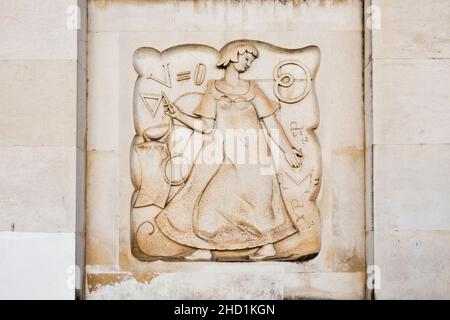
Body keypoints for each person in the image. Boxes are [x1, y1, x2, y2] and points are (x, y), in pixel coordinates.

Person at [155, 41, 302, 260]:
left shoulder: (253, 89)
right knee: (210, 204)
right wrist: (178, 115)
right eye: (246, 57)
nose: (249, 63)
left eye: (252, 60)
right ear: (233, 55)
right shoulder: (213, 88)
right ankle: (205, 248)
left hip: (253, 155)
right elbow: (206, 126)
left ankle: (267, 246)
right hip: (225, 156)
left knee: (259, 205)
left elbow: (270, 123)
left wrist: (288, 149)